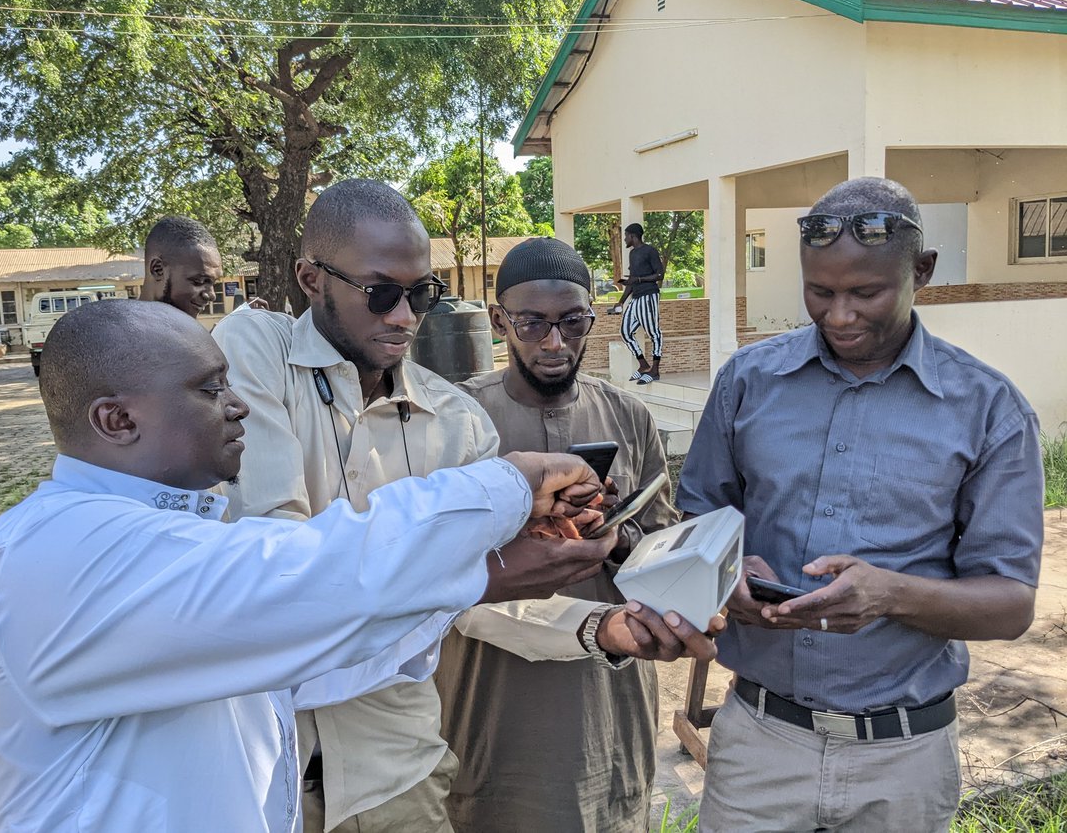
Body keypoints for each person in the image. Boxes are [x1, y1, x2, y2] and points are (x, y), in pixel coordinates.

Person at [0, 298, 604, 833]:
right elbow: (317, 571)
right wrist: (510, 483)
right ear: (117, 418)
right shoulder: (60, 553)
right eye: (210, 389)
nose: (238, 406)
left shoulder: (156, 537)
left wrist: (486, 575)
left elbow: (311, 652)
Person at [212, 180, 626, 833]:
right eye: (381, 294)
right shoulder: (257, 349)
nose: (405, 317)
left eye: (421, 294)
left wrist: (601, 626)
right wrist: (457, 565)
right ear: (311, 279)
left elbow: (480, 599)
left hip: (394, 776)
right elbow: (280, 565)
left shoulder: (457, 422)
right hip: (259, 777)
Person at [677, 177, 1045, 833]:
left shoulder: (988, 409)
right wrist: (721, 572)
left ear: (921, 271)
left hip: (903, 760)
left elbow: (1011, 604)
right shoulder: (748, 382)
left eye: (865, 293)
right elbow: (699, 518)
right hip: (760, 743)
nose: (840, 316)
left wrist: (888, 595)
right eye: (820, 293)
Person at [435, 236, 720, 833]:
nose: (555, 343)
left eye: (573, 321)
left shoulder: (628, 416)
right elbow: (438, 568)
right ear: (498, 322)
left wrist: (614, 535)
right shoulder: (455, 419)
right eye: (533, 324)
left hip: (607, 703)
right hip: (493, 703)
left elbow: (666, 556)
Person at [607, 222, 664, 384]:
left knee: (654, 332)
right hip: (636, 298)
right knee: (625, 332)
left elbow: (660, 274)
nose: (624, 239)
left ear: (633, 236)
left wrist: (640, 279)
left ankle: (655, 370)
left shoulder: (650, 251)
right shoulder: (632, 254)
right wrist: (620, 302)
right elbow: (631, 282)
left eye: (626, 236)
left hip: (649, 295)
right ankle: (643, 364)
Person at [139, 215, 223, 317]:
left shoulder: (193, 332)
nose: (211, 295)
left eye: (213, 283)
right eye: (199, 282)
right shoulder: (119, 330)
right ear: (158, 269)